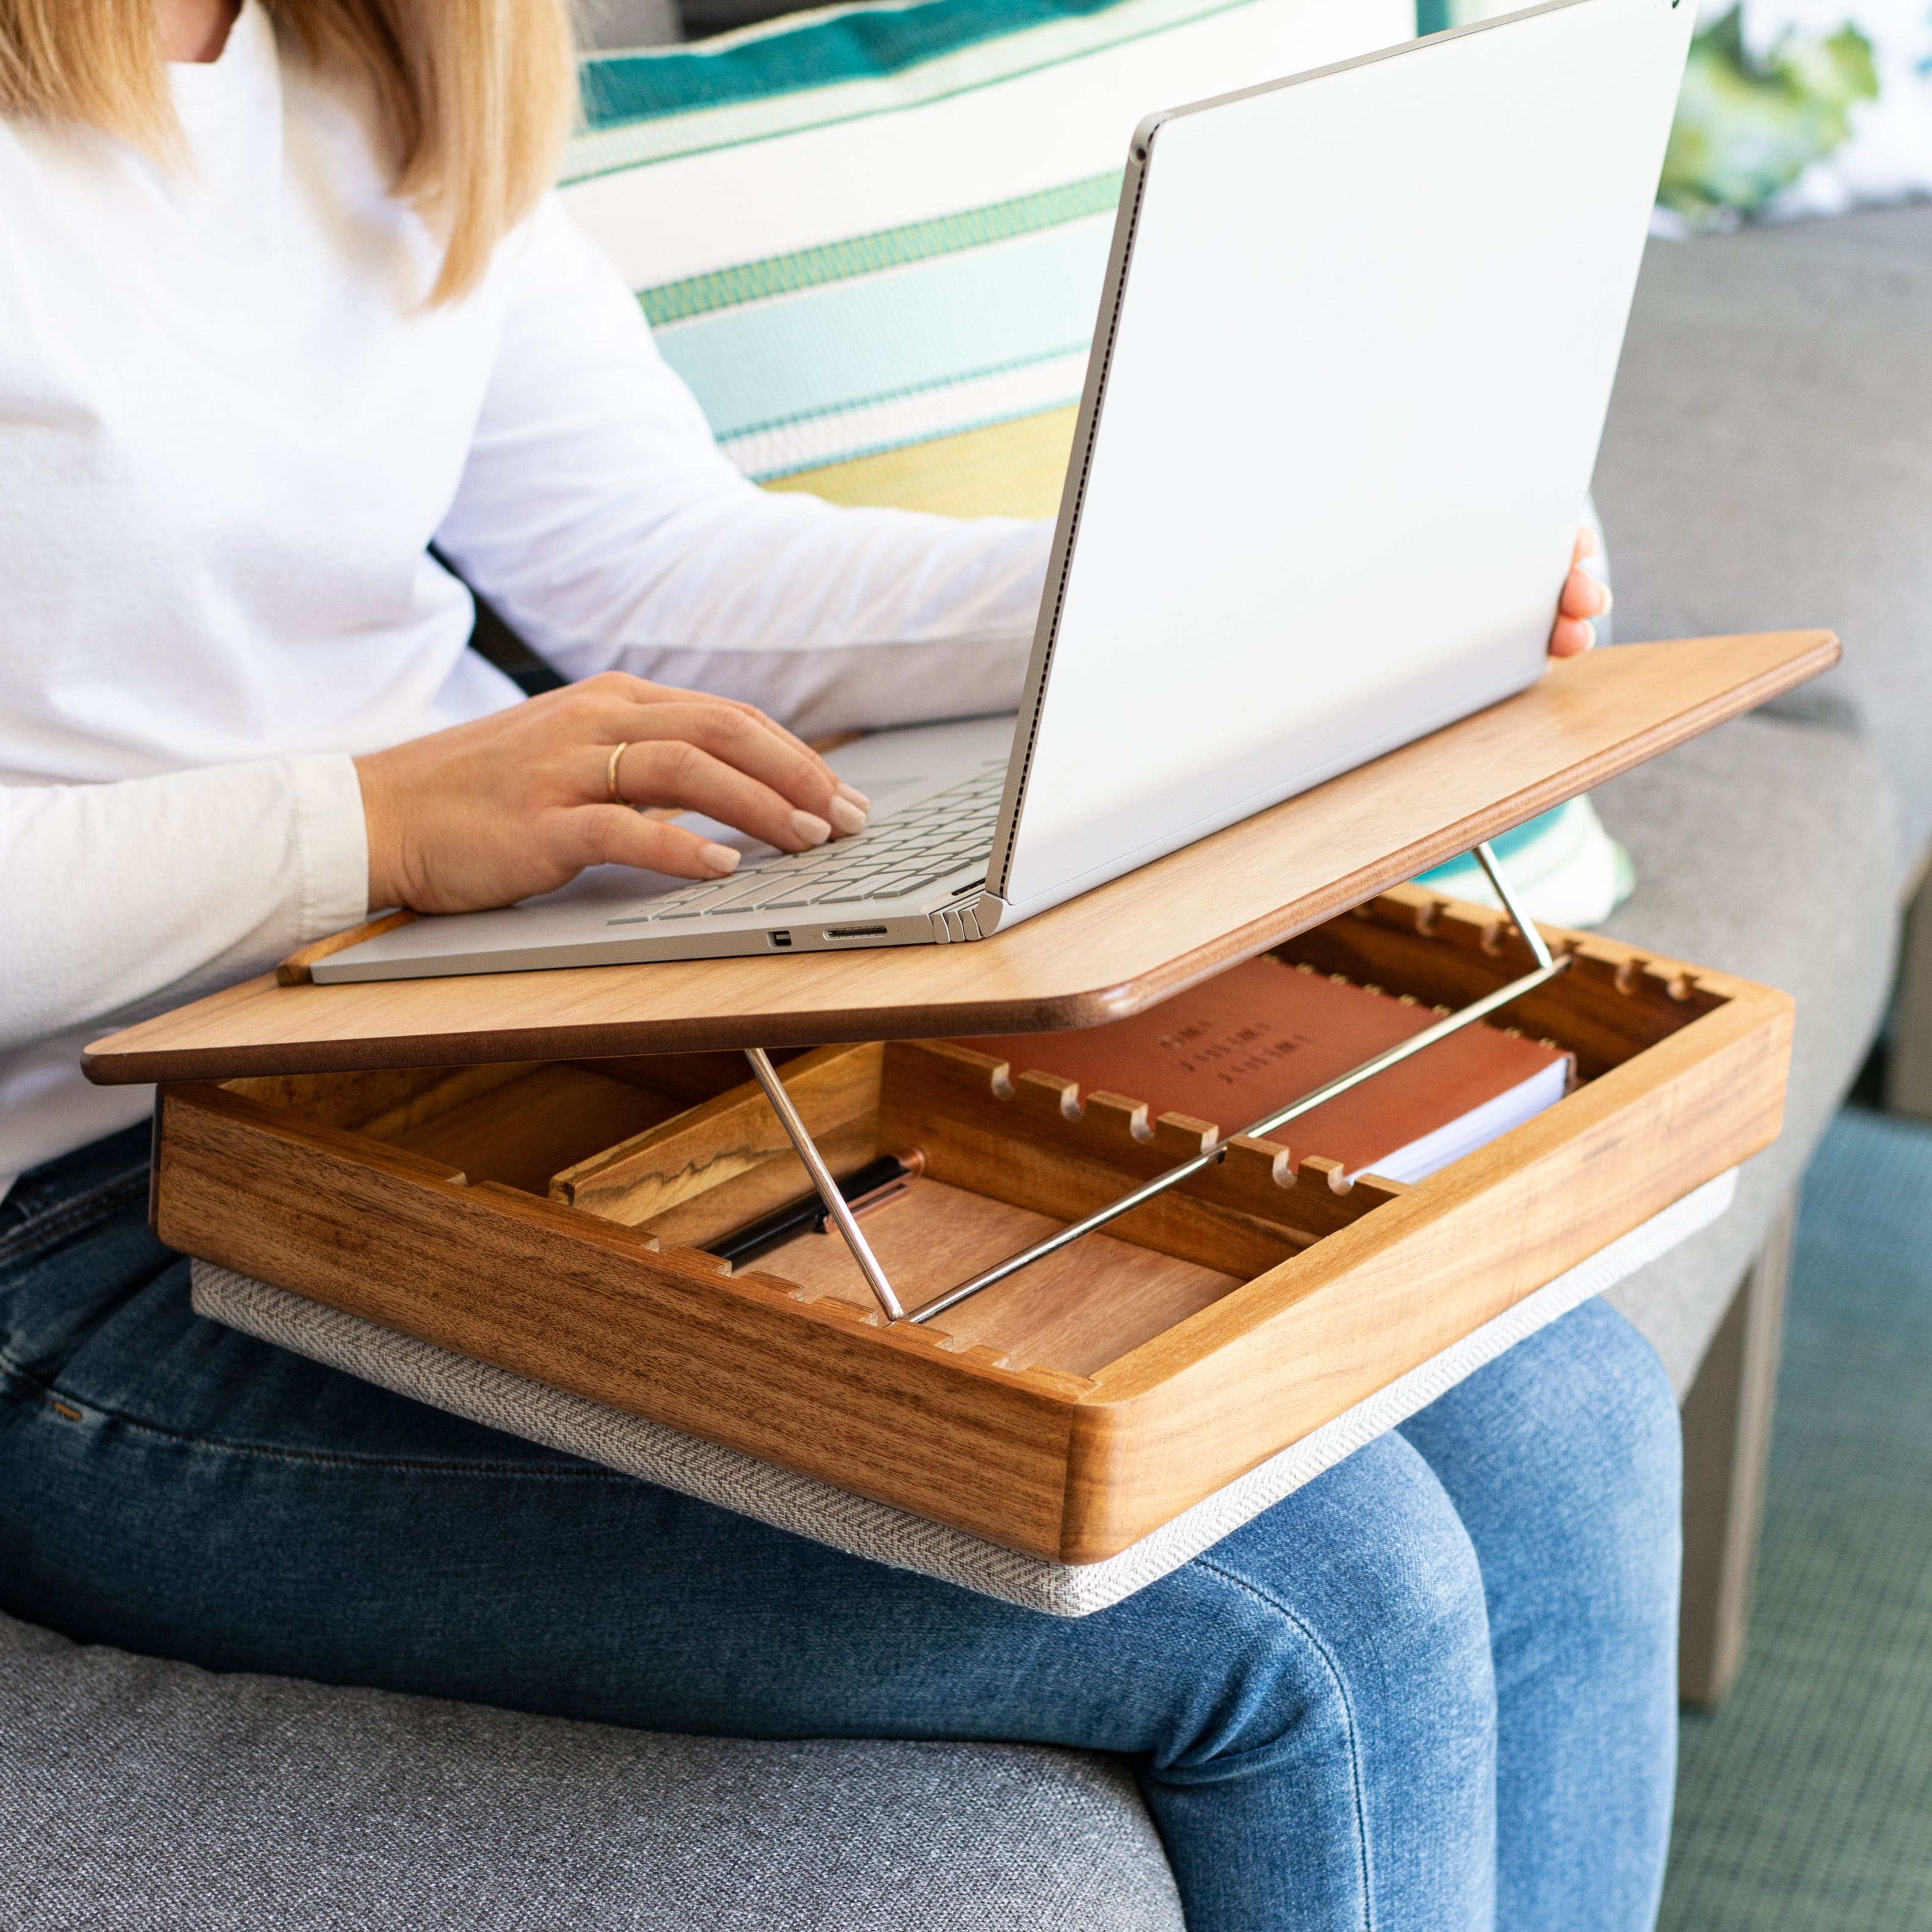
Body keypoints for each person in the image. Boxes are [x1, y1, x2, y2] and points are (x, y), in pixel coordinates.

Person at [0, 4, 1664, 1930]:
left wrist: (1238, 588)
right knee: (1322, 1589)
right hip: (86, 1235)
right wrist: (364, 825)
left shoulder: (378, 46)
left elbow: (658, 566)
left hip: (493, 1037)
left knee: (1563, 1410)